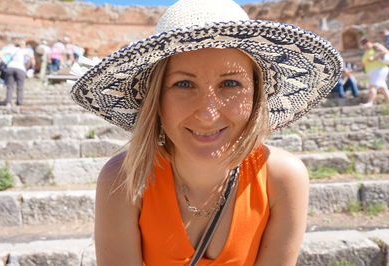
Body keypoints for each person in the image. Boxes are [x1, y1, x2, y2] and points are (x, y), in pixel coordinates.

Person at [70, 0, 342, 265]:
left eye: (231, 83)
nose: (208, 114)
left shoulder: (282, 178)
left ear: (257, 93)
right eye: (184, 83)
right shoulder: (123, 180)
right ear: (156, 98)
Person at [357, 38, 389, 106]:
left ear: (370, 42)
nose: (365, 44)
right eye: (363, 43)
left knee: (372, 86)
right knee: (383, 88)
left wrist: (373, 58)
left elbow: (385, 51)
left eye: (366, 42)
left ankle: (370, 102)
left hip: (379, 69)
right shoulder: (366, 52)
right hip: (374, 71)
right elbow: (363, 64)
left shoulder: (376, 46)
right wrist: (352, 71)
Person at [0, 39, 35, 107]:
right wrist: (30, 66)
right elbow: (32, 57)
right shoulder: (24, 50)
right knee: (20, 86)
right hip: (21, 69)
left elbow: (0, 53)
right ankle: (19, 102)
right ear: (22, 45)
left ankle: (8, 102)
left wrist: (5, 62)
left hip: (10, 67)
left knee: (10, 86)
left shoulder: (12, 49)